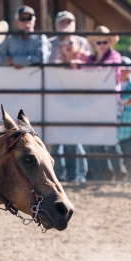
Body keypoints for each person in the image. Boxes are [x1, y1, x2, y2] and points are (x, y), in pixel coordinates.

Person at [82, 27, 125, 179]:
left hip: (109, 102)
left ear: (109, 43)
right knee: (95, 140)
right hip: (95, 103)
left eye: (104, 42)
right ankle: (105, 173)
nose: (101, 44)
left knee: (111, 139)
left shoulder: (114, 56)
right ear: (94, 43)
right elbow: (86, 72)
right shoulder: (90, 59)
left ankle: (118, 172)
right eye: (98, 41)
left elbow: (104, 72)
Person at [50, 35, 91, 183]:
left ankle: (76, 176)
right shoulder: (58, 62)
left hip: (78, 106)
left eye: (71, 42)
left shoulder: (87, 59)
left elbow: (97, 71)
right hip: (61, 106)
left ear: (78, 44)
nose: (67, 45)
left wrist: (82, 66)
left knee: (73, 143)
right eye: (63, 42)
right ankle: (60, 177)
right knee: (58, 142)